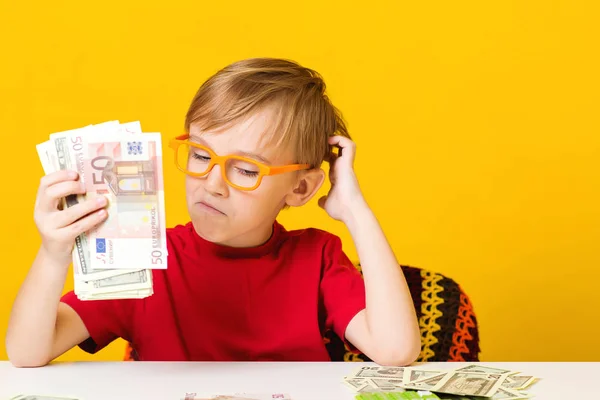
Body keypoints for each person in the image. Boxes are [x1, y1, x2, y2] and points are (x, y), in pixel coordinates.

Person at [6, 58, 421, 367]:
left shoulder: (317, 256)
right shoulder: (148, 258)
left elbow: (396, 350)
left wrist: (355, 211)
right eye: (201, 155)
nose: (212, 182)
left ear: (299, 188)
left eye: (245, 169)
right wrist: (53, 253)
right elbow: (26, 354)